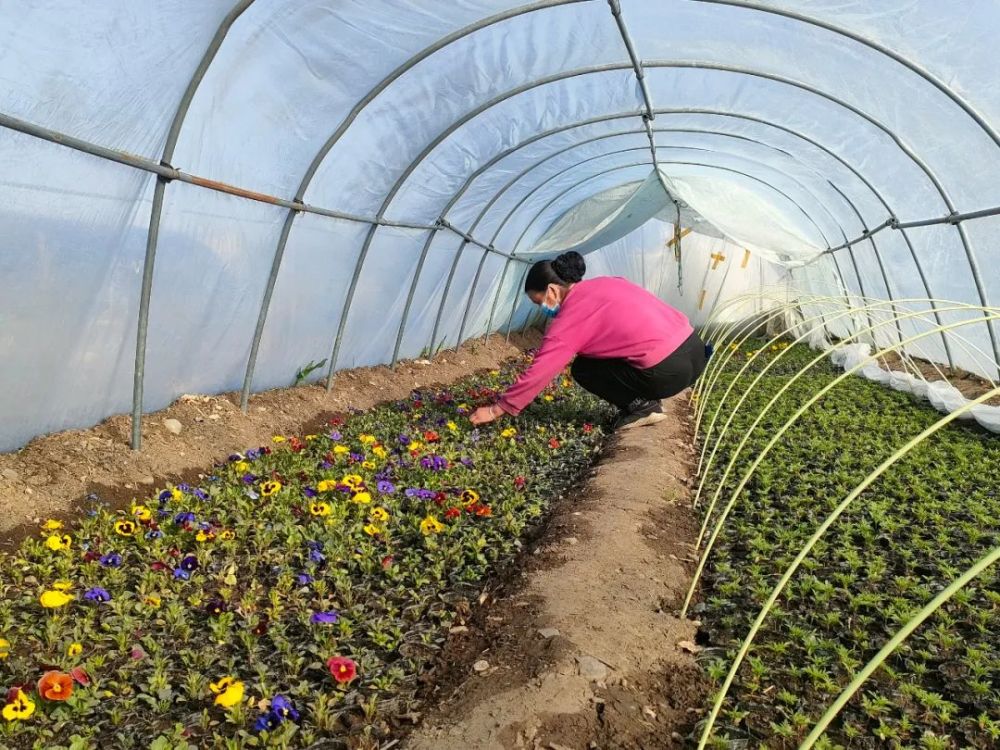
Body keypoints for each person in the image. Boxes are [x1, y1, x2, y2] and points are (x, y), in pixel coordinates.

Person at [470, 251, 706, 430]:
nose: (542, 308)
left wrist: (496, 409)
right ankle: (645, 399)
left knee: (584, 368)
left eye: (538, 301)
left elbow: (542, 369)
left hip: (669, 372)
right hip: (695, 350)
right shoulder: (608, 282)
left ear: (552, 291)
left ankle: (643, 407)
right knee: (595, 355)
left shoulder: (571, 316)